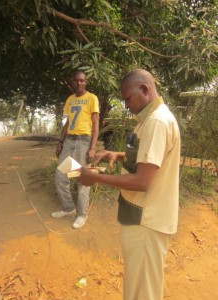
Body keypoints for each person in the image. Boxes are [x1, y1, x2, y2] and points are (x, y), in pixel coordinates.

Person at [79, 69, 180, 299]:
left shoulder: (157, 122)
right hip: (142, 218)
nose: (125, 105)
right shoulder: (150, 120)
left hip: (147, 221)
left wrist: (94, 177)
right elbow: (151, 160)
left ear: (144, 89)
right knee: (138, 287)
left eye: (127, 98)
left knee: (142, 293)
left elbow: (143, 181)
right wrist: (119, 154)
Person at [52, 70, 99, 229]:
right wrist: (60, 141)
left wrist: (92, 147)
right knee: (60, 175)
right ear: (72, 82)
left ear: (85, 82)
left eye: (82, 81)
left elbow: (96, 124)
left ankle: (82, 214)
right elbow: (67, 122)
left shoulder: (92, 98)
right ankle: (68, 208)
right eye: (76, 81)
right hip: (69, 141)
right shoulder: (70, 100)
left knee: (82, 178)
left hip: (83, 141)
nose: (79, 83)